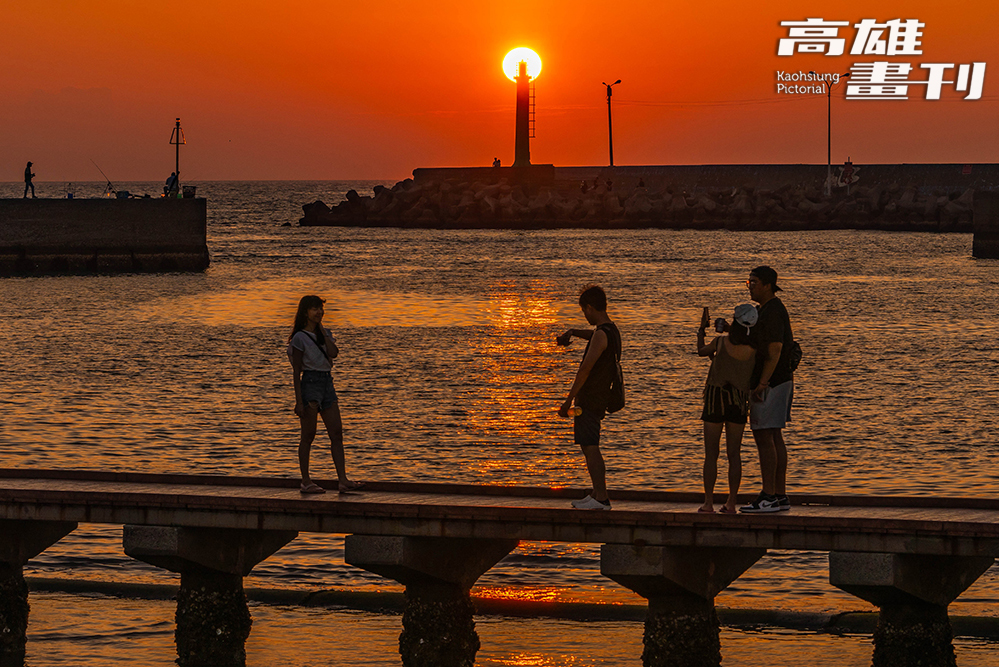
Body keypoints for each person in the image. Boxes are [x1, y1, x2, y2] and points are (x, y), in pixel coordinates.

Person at [287, 295, 364, 494]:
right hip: (310, 384)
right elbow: (296, 371)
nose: (319, 312)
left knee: (336, 432)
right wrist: (298, 401)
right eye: (314, 309)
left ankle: (343, 479)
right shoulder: (299, 338)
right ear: (305, 312)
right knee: (308, 435)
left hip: (327, 383)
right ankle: (305, 480)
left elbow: (334, 352)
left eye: (320, 309)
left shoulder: (325, 333)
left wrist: (321, 330)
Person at [556, 285, 622, 510]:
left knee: (590, 446)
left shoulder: (601, 335)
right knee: (589, 444)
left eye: (584, 310)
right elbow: (594, 336)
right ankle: (596, 492)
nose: (584, 315)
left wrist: (568, 401)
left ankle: (601, 498)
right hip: (600, 398)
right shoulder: (611, 330)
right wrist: (574, 332)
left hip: (590, 399)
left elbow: (584, 370)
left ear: (591, 308)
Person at [740, 266, 795, 513]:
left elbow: (774, 351)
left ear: (767, 284)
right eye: (748, 281)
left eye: (753, 281)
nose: (749, 286)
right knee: (773, 435)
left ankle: (769, 495)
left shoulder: (772, 312)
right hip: (780, 380)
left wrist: (761, 384)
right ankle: (779, 495)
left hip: (772, 382)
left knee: (764, 435)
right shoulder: (767, 310)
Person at [697, 304, 758, 514]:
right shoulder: (753, 350)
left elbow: (700, 351)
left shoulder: (720, 343)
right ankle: (731, 502)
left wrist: (701, 331)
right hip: (738, 402)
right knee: (734, 454)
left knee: (711, 455)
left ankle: (708, 503)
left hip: (715, 399)